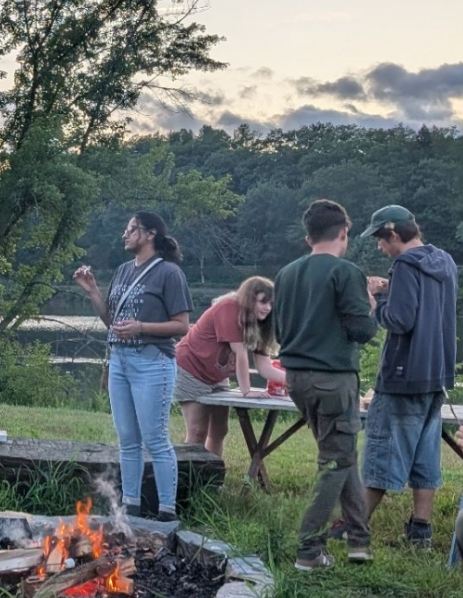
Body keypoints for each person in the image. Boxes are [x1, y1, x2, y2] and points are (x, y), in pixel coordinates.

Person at [335, 205, 457, 548]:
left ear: (393, 234)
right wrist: (395, 289)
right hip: (436, 375)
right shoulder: (444, 261)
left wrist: (376, 300)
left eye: (379, 239)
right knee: (424, 456)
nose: (378, 247)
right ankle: (421, 530)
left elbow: (400, 320)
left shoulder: (404, 264)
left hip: (403, 377)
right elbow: (428, 308)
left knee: (380, 452)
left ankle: (353, 526)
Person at [274, 199, 377, 571]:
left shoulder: (286, 274)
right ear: (344, 233)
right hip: (334, 381)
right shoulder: (346, 272)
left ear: (308, 237)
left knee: (343, 454)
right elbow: (361, 331)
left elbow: (281, 331)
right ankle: (308, 550)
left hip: (296, 379)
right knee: (334, 462)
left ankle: (359, 543)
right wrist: (371, 302)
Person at [73, 211, 192, 520]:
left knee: (155, 438)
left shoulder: (169, 273)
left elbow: (182, 326)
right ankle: (131, 508)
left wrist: (141, 327)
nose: (124, 235)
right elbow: (112, 323)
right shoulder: (124, 270)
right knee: (128, 439)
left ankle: (167, 511)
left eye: (131, 230)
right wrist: (93, 292)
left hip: (152, 363)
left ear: (150, 234)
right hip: (120, 362)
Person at [175, 277, 287, 457]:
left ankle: (213, 477)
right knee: (198, 431)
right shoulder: (229, 307)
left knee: (219, 430)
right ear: (249, 299)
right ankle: (190, 480)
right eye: (263, 302)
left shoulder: (261, 322)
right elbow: (241, 354)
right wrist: (246, 391)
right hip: (190, 369)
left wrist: (295, 380)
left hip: (217, 375)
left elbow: (264, 367)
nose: (268, 308)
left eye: (271, 304)